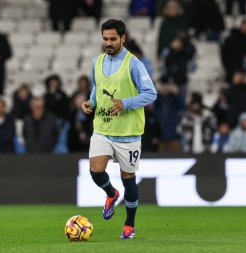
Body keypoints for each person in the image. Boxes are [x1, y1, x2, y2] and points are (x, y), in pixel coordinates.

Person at [81, 19, 157, 238]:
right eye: (105, 38)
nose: (108, 42)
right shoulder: (97, 62)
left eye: (113, 39)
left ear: (123, 39)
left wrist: (126, 103)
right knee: (95, 170)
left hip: (128, 132)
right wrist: (91, 102)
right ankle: (111, 193)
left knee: (129, 179)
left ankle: (129, 225)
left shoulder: (134, 64)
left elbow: (151, 93)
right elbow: (97, 87)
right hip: (103, 128)